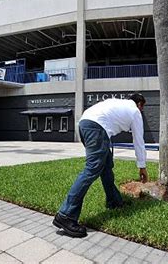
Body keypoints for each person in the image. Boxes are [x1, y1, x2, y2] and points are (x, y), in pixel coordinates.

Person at [53, 93, 148, 238]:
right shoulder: (135, 111)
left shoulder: (116, 102)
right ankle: (66, 215)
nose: (142, 110)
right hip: (97, 128)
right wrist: (142, 166)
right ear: (139, 104)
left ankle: (114, 201)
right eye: (143, 107)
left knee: (106, 167)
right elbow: (138, 140)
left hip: (85, 123)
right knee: (92, 169)